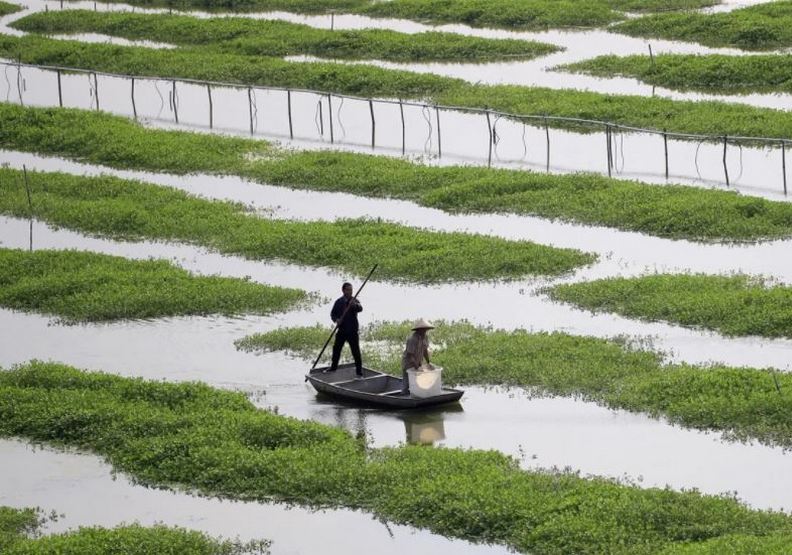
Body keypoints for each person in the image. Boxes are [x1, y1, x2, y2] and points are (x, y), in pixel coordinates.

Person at [328, 282, 363, 377]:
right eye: (348, 290)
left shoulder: (354, 300)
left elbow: (360, 308)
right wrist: (336, 320)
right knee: (336, 349)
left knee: (355, 351)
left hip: (352, 331)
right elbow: (333, 314)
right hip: (342, 330)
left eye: (351, 290)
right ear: (343, 290)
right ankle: (333, 367)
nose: (350, 292)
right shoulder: (339, 302)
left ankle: (359, 371)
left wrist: (353, 305)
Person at [401, 318, 433, 394]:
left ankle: (416, 394)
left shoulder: (425, 337)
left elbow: (425, 351)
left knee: (417, 382)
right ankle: (404, 394)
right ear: (419, 330)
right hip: (408, 363)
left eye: (426, 330)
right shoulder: (412, 339)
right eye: (424, 330)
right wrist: (416, 366)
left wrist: (428, 362)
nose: (425, 331)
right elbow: (410, 355)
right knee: (407, 384)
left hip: (418, 362)